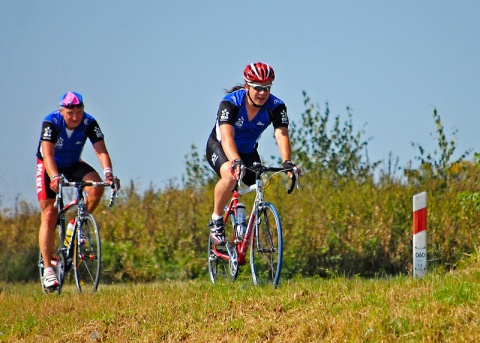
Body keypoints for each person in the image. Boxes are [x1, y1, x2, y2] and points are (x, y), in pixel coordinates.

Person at [206, 62, 299, 245]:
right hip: (221, 146)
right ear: (247, 86)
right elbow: (227, 136)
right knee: (231, 176)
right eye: (257, 88)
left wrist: (287, 161)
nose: (263, 93)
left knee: (259, 182)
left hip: (248, 150)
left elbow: (281, 134)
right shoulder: (230, 103)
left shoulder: (276, 106)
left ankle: (241, 217)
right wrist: (235, 161)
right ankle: (216, 220)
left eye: (267, 88)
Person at [36, 91, 120, 290]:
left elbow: (101, 151)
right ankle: (48, 268)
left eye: (79, 112)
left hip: (73, 164)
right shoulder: (51, 123)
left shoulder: (89, 123)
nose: (75, 117)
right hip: (49, 165)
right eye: (70, 113)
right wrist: (54, 177)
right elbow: (47, 155)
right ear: (61, 111)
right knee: (49, 213)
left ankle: (77, 223)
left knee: (96, 186)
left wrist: (109, 174)